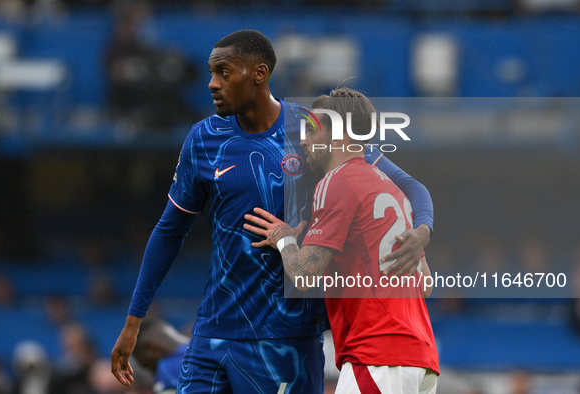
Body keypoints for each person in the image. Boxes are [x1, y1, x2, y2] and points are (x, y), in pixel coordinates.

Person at [111, 30, 434, 393]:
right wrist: (134, 318)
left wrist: (422, 230)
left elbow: (409, 187)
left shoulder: (314, 130)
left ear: (259, 73)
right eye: (211, 72)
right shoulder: (202, 139)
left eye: (224, 72)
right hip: (214, 330)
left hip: (286, 339)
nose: (212, 84)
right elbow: (170, 231)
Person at [244, 88, 439, 393]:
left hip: (377, 356)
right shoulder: (393, 189)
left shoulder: (335, 182)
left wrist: (284, 239)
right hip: (420, 357)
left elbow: (304, 275)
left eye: (313, 130)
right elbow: (425, 283)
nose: (304, 140)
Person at [132, 320, 190, 394]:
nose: (153, 375)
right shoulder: (205, 344)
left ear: (152, 347)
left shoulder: (167, 367)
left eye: (151, 367)